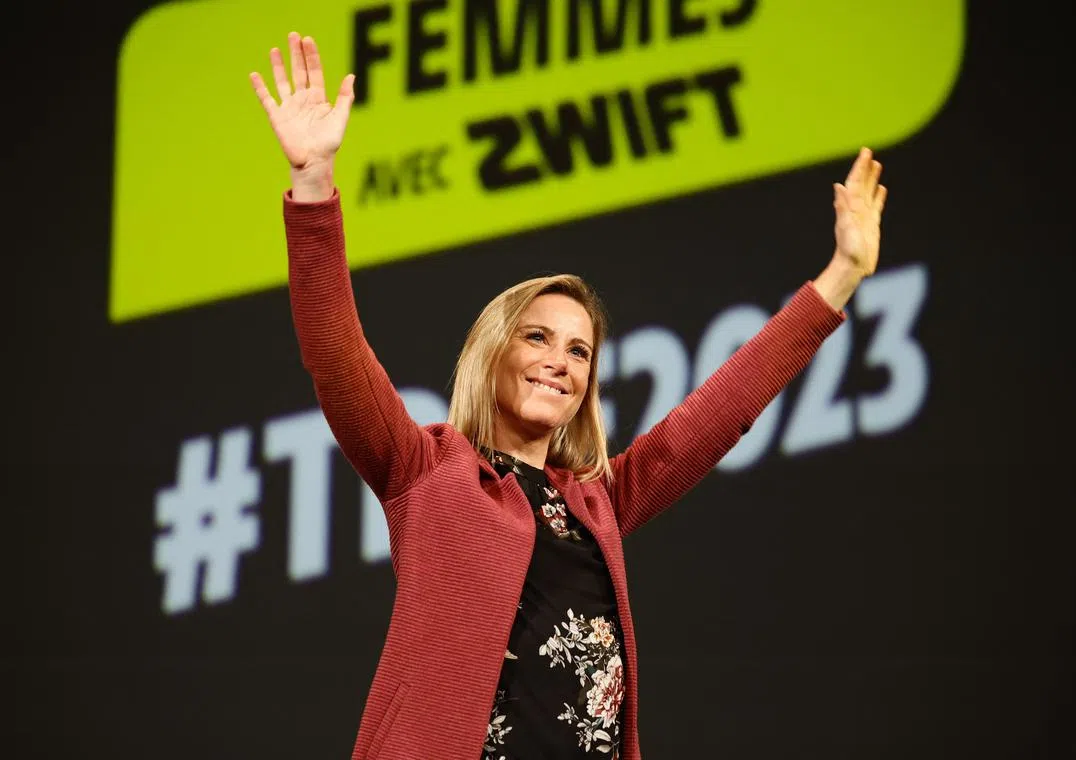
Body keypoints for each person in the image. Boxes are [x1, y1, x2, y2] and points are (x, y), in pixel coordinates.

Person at [250, 32, 887, 760]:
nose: (560, 362)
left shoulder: (598, 502)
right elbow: (335, 353)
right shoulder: (427, 470)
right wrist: (313, 184)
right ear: (493, 353)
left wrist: (840, 276)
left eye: (580, 351)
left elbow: (719, 412)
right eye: (538, 338)